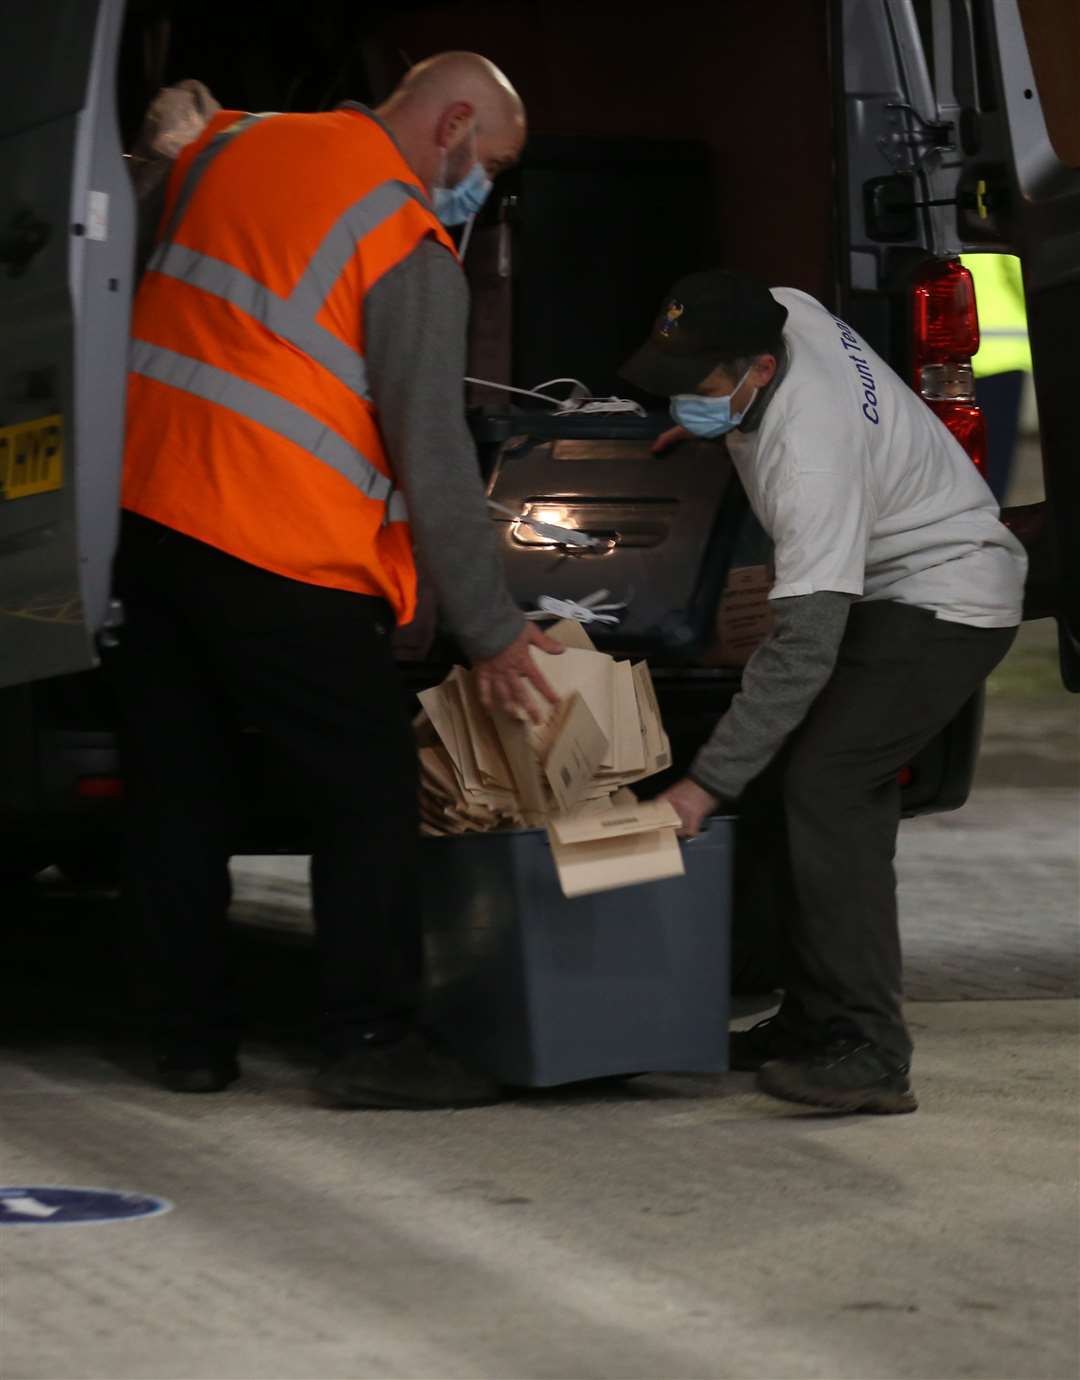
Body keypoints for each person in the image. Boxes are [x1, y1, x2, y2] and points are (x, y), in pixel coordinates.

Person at [114, 52, 562, 1107]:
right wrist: (490, 630)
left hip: (150, 520)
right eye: (488, 163)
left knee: (180, 793)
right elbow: (431, 450)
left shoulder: (228, 144)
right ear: (452, 121)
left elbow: (126, 245)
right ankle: (368, 1040)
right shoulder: (402, 238)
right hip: (283, 551)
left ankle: (187, 1042)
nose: (479, 190)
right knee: (365, 794)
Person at [621, 270, 1026, 1115]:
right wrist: (700, 429)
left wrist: (703, 786)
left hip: (946, 599)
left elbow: (801, 650)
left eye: (698, 391)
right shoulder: (782, 308)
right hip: (889, 585)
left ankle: (871, 1051)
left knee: (832, 785)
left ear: (759, 372)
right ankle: (810, 1020)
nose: (684, 403)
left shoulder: (811, 453)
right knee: (788, 780)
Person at [961, 253, 1033, 504]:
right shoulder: (997, 233)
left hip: (961, 355)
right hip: (1002, 357)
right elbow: (1022, 277)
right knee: (994, 458)